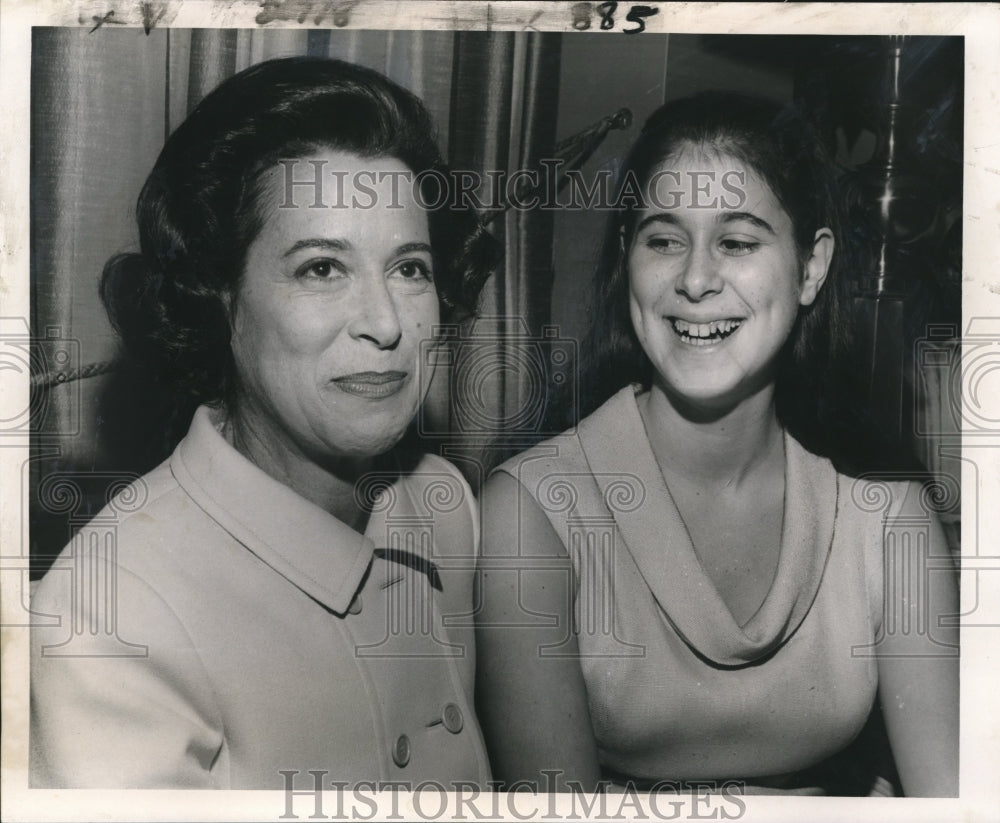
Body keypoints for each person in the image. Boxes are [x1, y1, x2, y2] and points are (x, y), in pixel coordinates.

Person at [31, 57, 498, 789]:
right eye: (321, 268)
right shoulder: (106, 616)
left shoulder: (440, 506)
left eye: (409, 267)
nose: (385, 323)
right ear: (218, 296)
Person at [476, 92, 958, 797]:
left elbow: (956, 800)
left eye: (737, 241)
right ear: (628, 261)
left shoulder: (889, 519)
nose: (695, 280)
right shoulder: (530, 512)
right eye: (664, 239)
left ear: (811, 267)